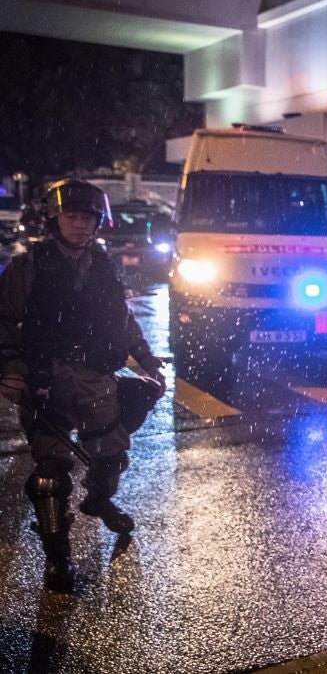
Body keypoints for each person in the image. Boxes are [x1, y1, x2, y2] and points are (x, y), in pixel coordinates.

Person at [0, 180, 166, 592]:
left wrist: (147, 361)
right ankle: (57, 561)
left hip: (97, 380)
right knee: (50, 476)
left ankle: (98, 499)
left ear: (98, 221)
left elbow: (124, 322)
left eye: (86, 217)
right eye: (70, 215)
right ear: (54, 219)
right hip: (46, 381)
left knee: (111, 458)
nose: (78, 224)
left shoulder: (105, 266)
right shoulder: (28, 267)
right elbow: (4, 323)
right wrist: (11, 369)